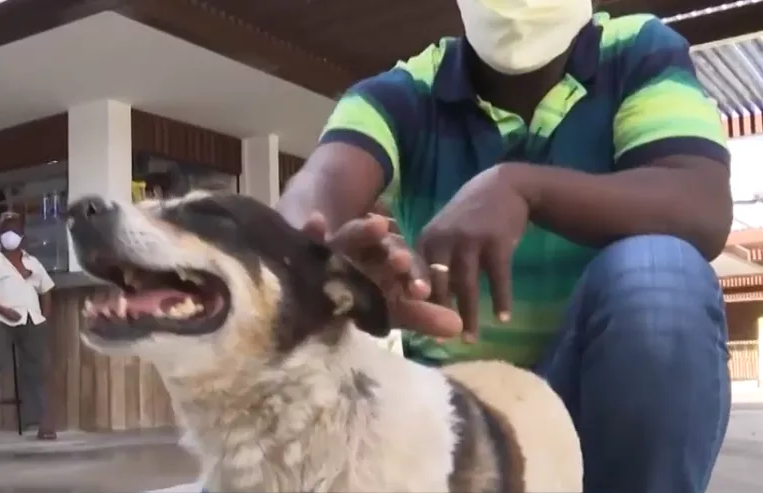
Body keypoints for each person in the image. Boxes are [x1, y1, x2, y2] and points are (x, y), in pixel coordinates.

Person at [277, 1, 732, 492]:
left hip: (599, 417)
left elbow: (700, 203)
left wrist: (524, 188)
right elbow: (318, 187)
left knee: (661, 277)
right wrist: (317, 261)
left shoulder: (636, 53)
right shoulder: (403, 94)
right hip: (461, 421)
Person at [0, 212, 57, 440]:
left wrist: (44, 317)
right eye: (7, 231)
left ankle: (43, 423)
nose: (11, 235)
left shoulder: (33, 263)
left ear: (23, 236)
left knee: (40, 369)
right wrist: (2, 310)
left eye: (15, 231)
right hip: (0, 318)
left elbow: (46, 290)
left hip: (31, 319)